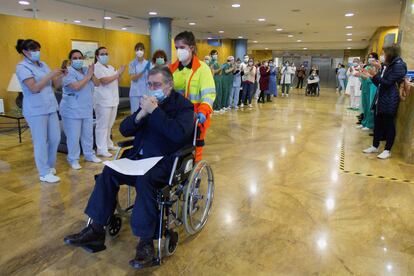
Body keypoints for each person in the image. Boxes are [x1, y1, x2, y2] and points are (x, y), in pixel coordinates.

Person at [64, 66, 195, 269]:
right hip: (137, 158)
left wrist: (156, 112)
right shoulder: (148, 102)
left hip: (163, 162)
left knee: (145, 181)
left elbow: (179, 134)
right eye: (150, 84)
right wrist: (141, 113)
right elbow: (124, 129)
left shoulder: (183, 106)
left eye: (157, 84)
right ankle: (96, 229)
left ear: (169, 85)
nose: (152, 88)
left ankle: (145, 243)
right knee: (108, 172)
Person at [15, 39, 64, 183]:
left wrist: (61, 75)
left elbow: (55, 85)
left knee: (55, 138)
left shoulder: (43, 65)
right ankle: (43, 172)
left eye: (38, 49)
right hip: (36, 110)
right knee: (40, 141)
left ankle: (49, 166)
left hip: (50, 107)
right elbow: (34, 88)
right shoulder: (22, 67)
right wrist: (50, 75)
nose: (37, 53)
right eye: (33, 50)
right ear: (25, 52)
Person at [169, 31, 216, 162]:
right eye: (176, 48)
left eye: (182, 47)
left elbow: (209, 94)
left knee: (195, 149)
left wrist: (203, 112)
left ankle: (194, 175)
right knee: (174, 148)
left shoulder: (202, 69)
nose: (178, 51)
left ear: (192, 48)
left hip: (196, 118)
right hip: (175, 117)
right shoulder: (172, 69)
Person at [363, 45, 407, 159]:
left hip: (389, 99)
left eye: (384, 53)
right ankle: (375, 146)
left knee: (388, 125)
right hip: (381, 98)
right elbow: (380, 83)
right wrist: (373, 76)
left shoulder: (399, 66)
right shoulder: (387, 66)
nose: (382, 56)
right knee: (378, 124)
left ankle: (387, 150)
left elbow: (387, 83)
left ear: (390, 53)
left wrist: (374, 75)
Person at [60, 49, 102, 170]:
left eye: (80, 58)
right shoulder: (68, 72)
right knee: (73, 136)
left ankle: (89, 154)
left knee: (88, 135)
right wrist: (88, 76)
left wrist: (91, 73)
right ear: (71, 60)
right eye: (75, 58)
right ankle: (73, 159)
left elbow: (98, 83)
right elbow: (76, 87)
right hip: (71, 110)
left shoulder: (86, 70)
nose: (78, 60)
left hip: (86, 108)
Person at [94, 46, 126, 158]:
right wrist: (117, 74)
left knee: (109, 125)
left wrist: (120, 74)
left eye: (106, 53)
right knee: (102, 125)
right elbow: (104, 81)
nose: (105, 56)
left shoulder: (111, 67)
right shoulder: (96, 67)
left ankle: (108, 144)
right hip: (103, 100)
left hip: (113, 99)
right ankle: (101, 149)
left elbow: (118, 80)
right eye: (102, 54)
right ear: (97, 56)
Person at [356, 52, 378, 131]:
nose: (370, 59)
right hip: (365, 87)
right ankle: (364, 122)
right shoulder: (367, 66)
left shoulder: (376, 67)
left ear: (375, 58)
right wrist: (361, 74)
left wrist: (364, 75)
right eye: (369, 57)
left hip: (372, 87)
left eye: (371, 57)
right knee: (365, 105)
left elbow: (373, 78)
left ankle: (370, 124)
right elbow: (363, 77)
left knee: (370, 106)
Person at [129, 42, 150, 113]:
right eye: (137, 50)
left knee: (145, 113)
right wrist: (143, 71)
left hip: (145, 92)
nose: (139, 51)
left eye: (141, 49)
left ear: (144, 51)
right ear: (135, 51)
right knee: (135, 114)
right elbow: (133, 78)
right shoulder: (132, 63)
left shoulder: (148, 63)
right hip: (135, 93)